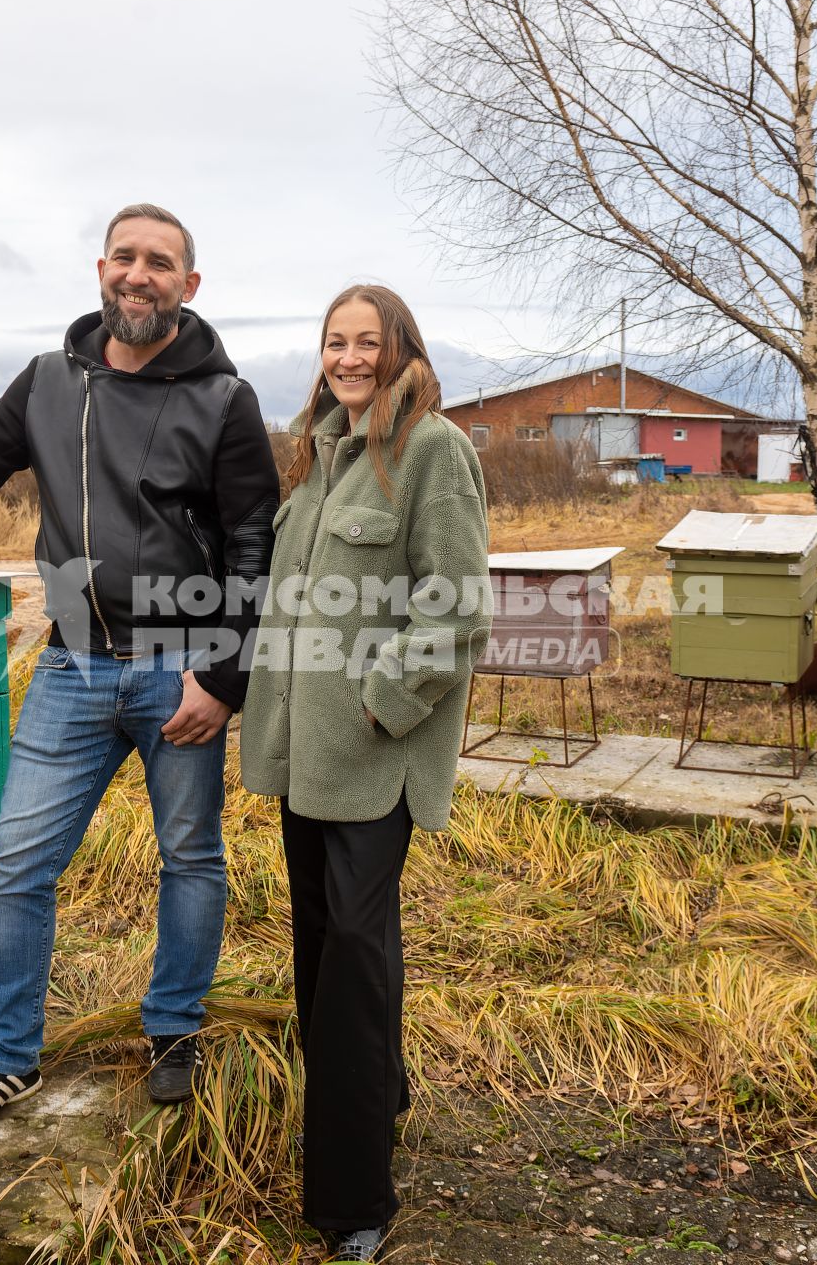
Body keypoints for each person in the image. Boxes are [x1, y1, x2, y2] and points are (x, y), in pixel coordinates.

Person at [0, 204, 279, 1136]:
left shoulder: (226, 401)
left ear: (189, 288)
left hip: (181, 667)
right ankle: (4, 1061)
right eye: (125, 258)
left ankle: (173, 1031)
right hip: (72, 669)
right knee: (20, 863)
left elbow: (252, 546)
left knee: (189, 854)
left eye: (161, 264)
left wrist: (224, 678)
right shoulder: (45, 383)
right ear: (100, 269)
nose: (139, 276)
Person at [239, 285, 490, 1262]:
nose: (349, 356)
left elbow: (457, 603)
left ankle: (353, 1200)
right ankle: (379, 1089)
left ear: (401, 350)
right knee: (325, 946)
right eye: (335, 342)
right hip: (306, 759)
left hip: (376, 757)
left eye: (366, 341)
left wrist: (385, 703)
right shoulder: (320, 456)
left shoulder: (432, 448)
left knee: (349, 955)